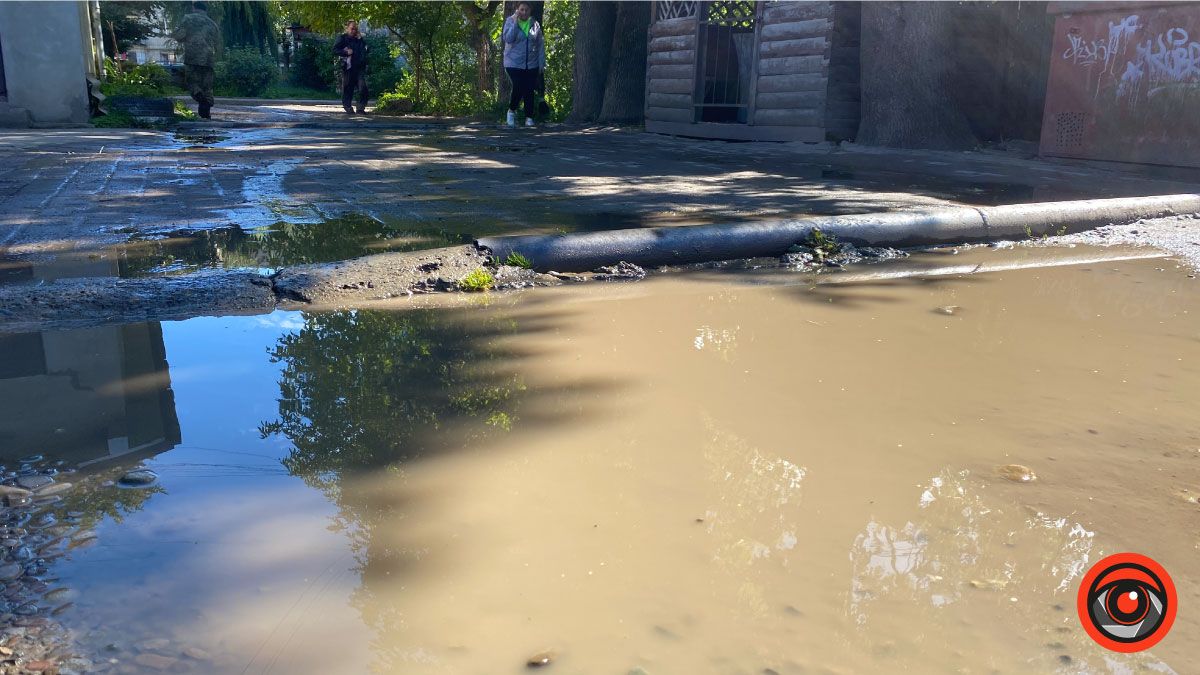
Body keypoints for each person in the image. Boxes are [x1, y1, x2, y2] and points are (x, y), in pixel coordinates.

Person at [173, 1, 219, 119]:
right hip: (209, 59)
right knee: (207, 86)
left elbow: (180, 36)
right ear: (205, 10)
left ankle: (200, 97)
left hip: (193, 57)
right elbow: (217, 43)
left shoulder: (188, 18)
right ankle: (205, 112)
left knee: (192, 82)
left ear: (194, 8)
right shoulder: (213, 24)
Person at [502, 2, 545, 128]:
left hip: (531, 63)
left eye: (526, 10)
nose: (524, 12)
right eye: (521, 9)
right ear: (517, 10)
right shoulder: (510, 21)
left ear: (530, 10)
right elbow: (508, 39)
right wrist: (515, 22)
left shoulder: (535, 24)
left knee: (529, 89)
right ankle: (511, 111)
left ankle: (529, 118)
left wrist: (541, 63)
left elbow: (540, 46)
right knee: (519, 85)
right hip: (513, 62)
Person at [333, 20, 369, 114]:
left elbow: (365, 50)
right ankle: (348, 107)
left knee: (363, 88)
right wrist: (345, 52)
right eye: (352, 28)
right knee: (348, 88)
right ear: (347, 28)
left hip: (359, 67)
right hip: (348, 67)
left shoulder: (359, 39)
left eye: (355, 29)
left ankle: (360, 108)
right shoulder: (342, 38)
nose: (354, 31)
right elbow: (335, 50)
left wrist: (360, 39)